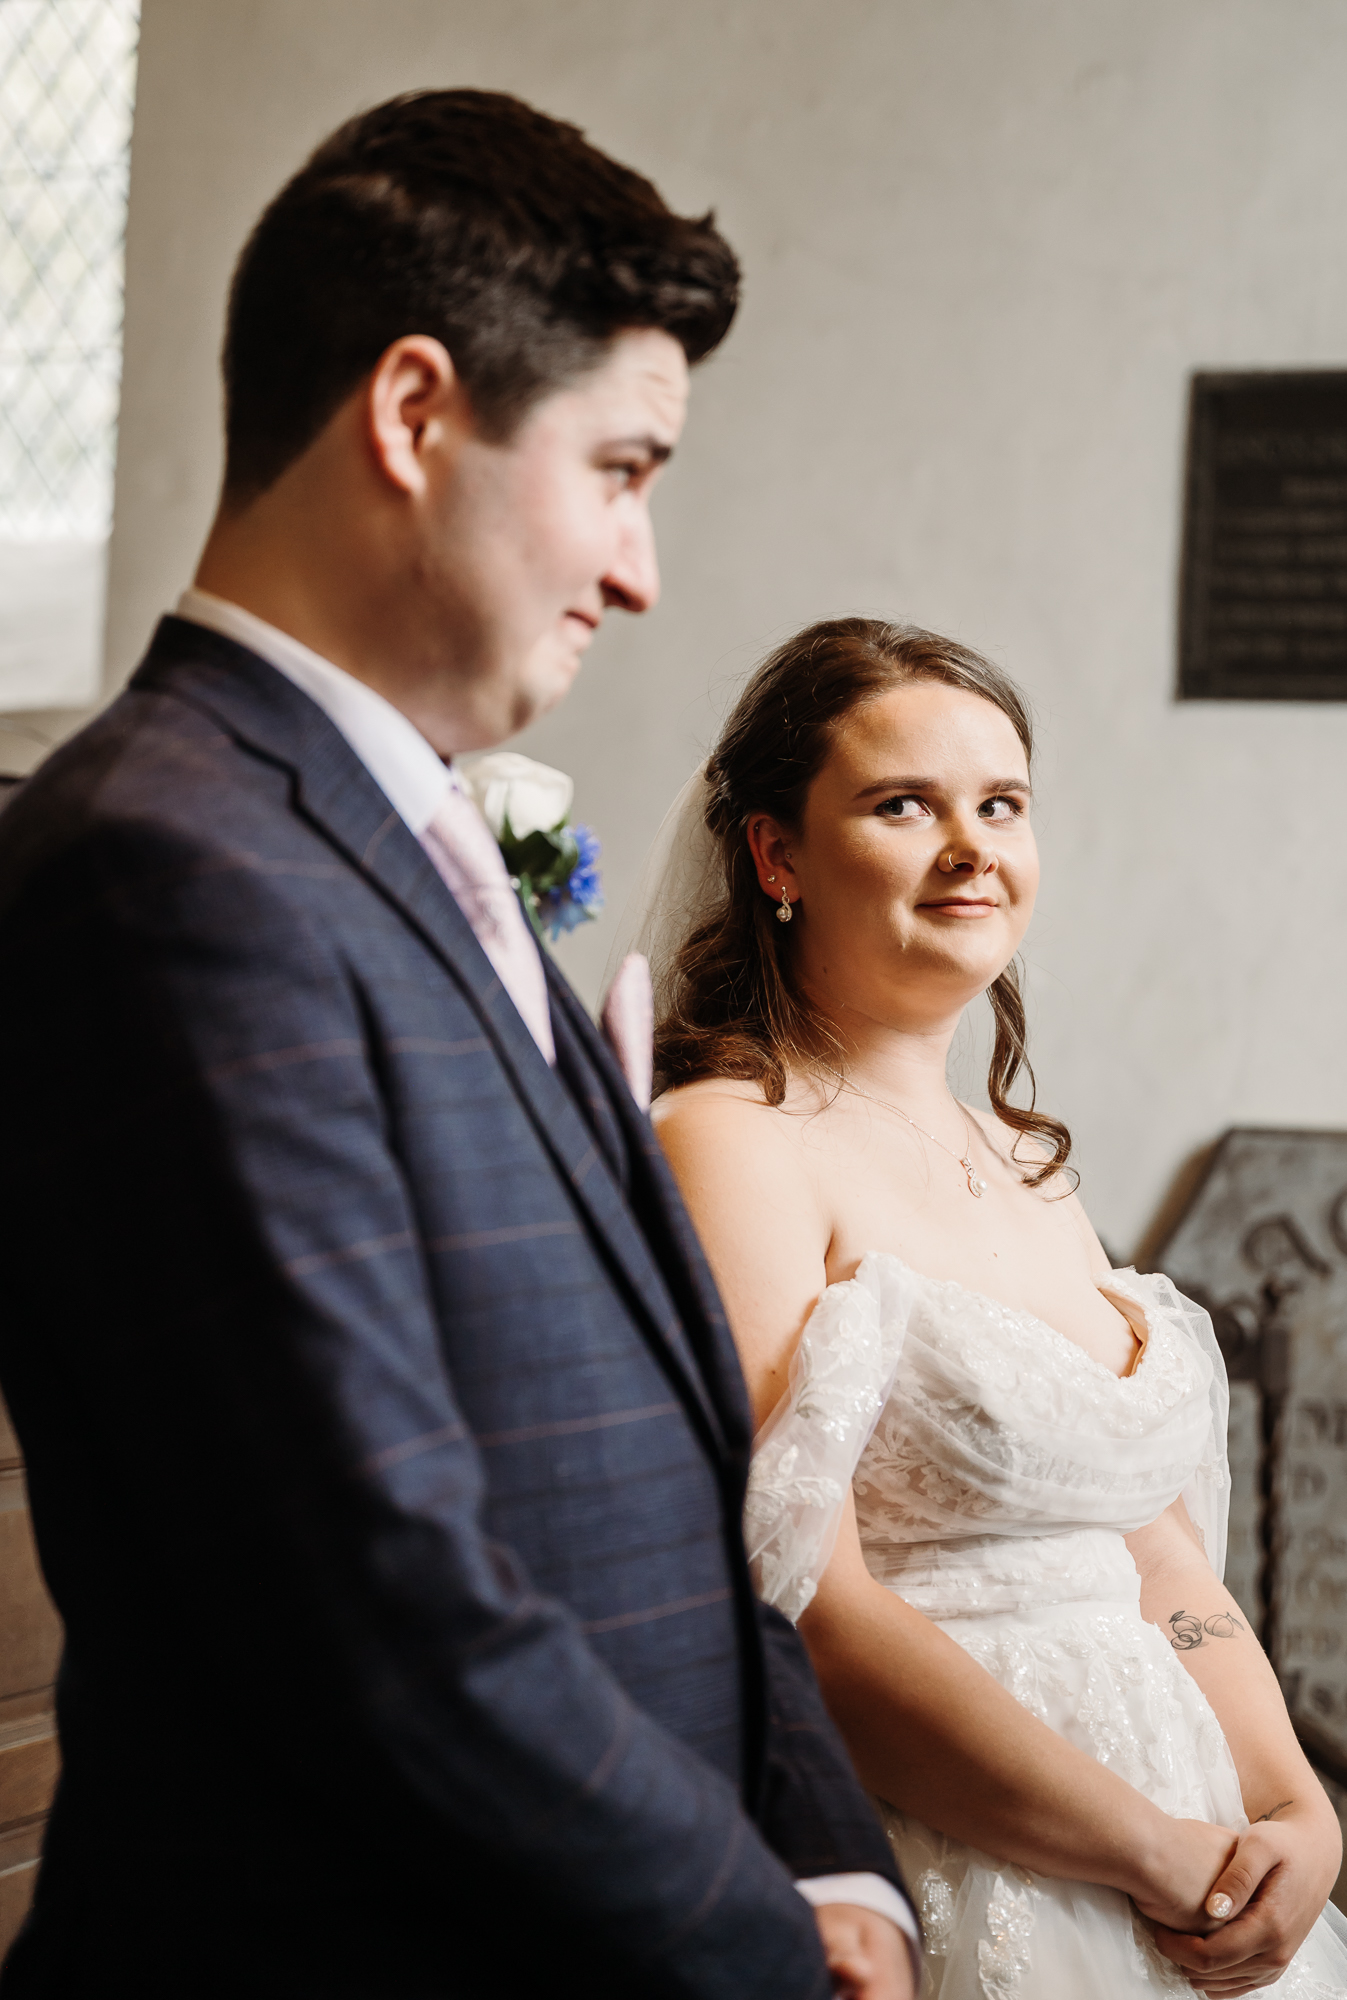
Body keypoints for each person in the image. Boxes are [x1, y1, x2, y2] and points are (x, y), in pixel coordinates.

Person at [0, 97, 917, 1999]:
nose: (645, 565)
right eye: (622, 468)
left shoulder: (405, 831)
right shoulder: (160, 866)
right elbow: (365, 1596)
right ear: (414, 416)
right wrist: (766, 1941)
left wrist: (841, 1857)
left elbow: (684, 1467)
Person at [651, 616, 1347, 1996]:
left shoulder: (1029, 1164)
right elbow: (808, 1608)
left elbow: (1161, 1566)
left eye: (1002, 804)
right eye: (905, 805)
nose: (973, 847)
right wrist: (1151, 1855)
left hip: (1193, 1853)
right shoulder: (731, 1138)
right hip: (960, 1862)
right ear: (776, 854)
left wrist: (1293, 1817)